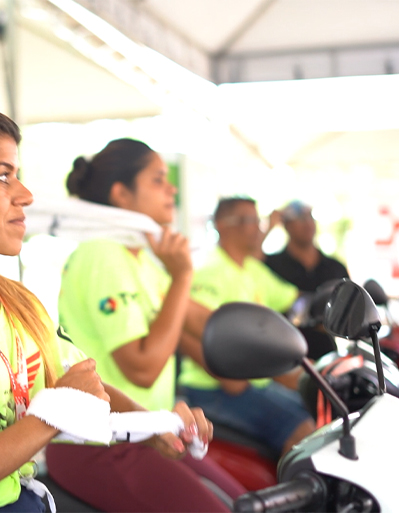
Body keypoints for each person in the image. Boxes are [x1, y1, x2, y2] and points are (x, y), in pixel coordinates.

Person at [0, 105, 212, 513]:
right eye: (3, 176)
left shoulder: (17, 302)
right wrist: (56, 410)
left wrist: (154, 425)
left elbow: (79, 383)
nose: (25, 195)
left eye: (18, 176)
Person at [47, 139, 246, 512]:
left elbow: (201, 321)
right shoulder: (101, 254)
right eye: (157, 180)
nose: (171, 188)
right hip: (102, 445)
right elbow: (142, 368)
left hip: (149, 433)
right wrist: (183, 274)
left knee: (246, 503)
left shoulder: (140, 259)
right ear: (121, 194)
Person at [179, 196, 316, 457]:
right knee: (303, 430)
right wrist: (231, 377)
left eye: (257, 220)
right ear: (221, 225)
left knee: (320, 410)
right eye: (246, 220)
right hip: (215, 388)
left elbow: (296, 302)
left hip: (255, 382)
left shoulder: (253, 269)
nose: (257, 227)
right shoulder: (209, 272)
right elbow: (194, 332)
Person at [264, 200, 349, 359]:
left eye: (310, 217)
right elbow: (246, 256)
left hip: (325, 355)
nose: (308, 223)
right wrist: (269, 226)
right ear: (286, 225)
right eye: (301, 218)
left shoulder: (335, 267)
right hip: (282, 356)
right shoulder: (270, 265)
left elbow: (348, 312)